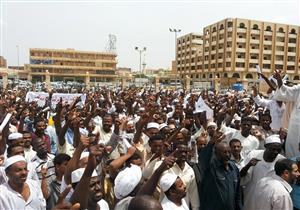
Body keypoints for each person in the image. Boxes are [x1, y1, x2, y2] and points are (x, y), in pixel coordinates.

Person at [198, 132, 242, 210]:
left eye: (229, 152)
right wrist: (211, 142)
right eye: (224, 152)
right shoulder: (211, 167)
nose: (227, 154)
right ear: (216, 153)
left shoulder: (234, 168)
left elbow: (237, 194)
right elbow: (203, 158)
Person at [241, 134, 285, 210]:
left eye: (278, 150)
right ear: (266, 147)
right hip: (252, 193)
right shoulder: (254, 154)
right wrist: (248, 165)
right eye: (273, 149)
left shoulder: (281, 160)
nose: (276, 152)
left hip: (270, 195)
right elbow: (241, 174)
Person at [272, 70, 300, 158]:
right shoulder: (299, 88)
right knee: (294, 151)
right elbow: (285, 91)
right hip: (297, 126)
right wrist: (279, 80)